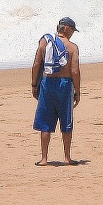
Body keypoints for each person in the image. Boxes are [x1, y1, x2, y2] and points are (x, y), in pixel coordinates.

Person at [29, 16, 82, 166]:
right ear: (66, 29)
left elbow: (36, 65)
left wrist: (34, 85)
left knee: (45, 122)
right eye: (72, 30)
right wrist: (77, 92)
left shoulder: (45, 42)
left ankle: (44, 158)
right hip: (64, 85)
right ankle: (67, 158)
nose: (72, 34)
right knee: (66, 121)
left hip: (47, 83)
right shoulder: (72, 47)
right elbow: (75, 71)